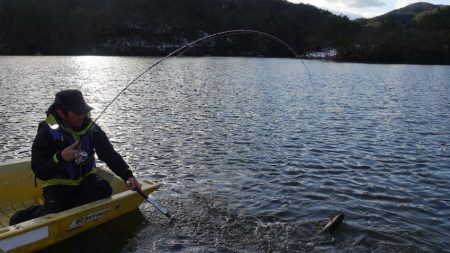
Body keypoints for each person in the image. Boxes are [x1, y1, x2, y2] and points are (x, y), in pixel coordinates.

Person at [10, 89, 141, 225]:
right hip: (58, 184)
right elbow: (40, 171)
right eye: (77, 113)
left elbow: (109, 154)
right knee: (54, 213)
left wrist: (128, 176)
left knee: (104, 189)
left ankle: (71, 207)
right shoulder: (46, 133)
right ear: (62, 112)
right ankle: (27, 214)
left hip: (86, 179)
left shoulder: (92, 129)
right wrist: (60, 158)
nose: (82, 116)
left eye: (83, 111)